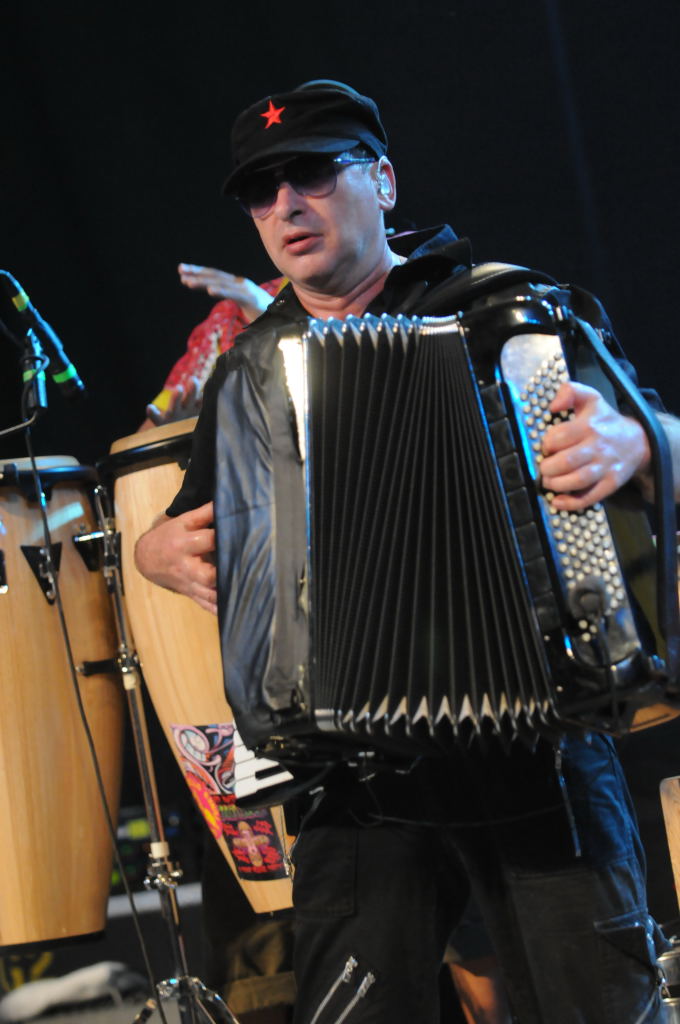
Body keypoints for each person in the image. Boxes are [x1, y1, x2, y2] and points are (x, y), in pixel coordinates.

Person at [135, 79, 680, 1022]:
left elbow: (663, 440)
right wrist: (155, 552)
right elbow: (185, 526)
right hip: (354, 774)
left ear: (382, 181)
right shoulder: (250, 373)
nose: (285, 205)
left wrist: (638, 443)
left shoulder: (510, 312)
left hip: (539, 747)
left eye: (312, 173)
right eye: (261, 191)